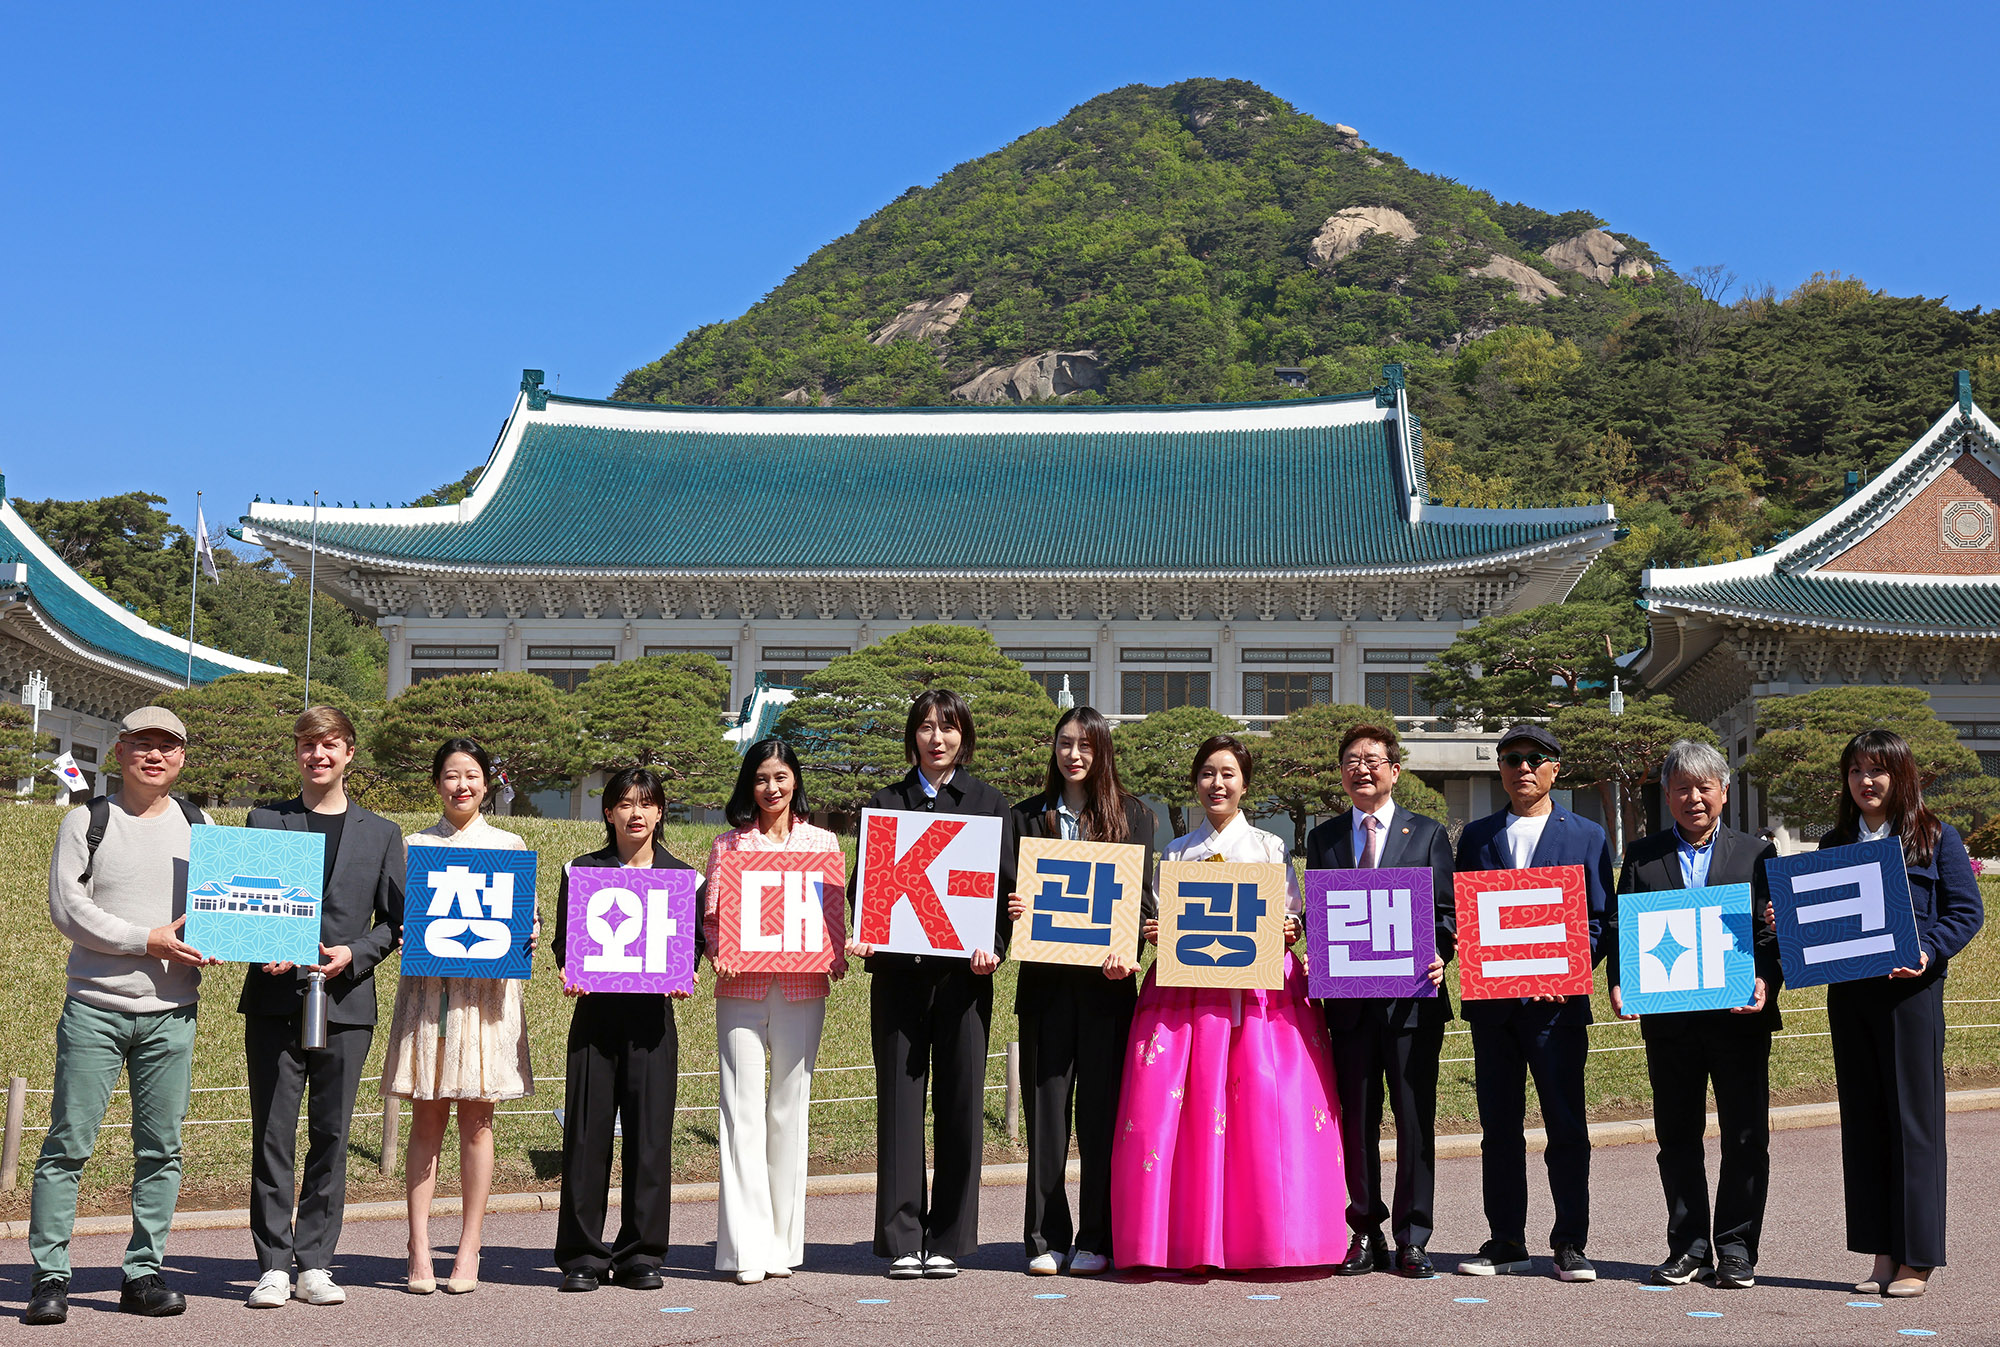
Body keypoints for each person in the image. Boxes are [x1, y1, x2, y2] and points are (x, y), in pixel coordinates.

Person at [1108, 734, 1344, 1272]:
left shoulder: (1269, 848)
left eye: (1228, 774)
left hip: (1262, 999)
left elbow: (1294, 918)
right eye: (1208, 773)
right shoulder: (1176, 852)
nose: (1217, 783)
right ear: (1195, 782)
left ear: (1245, 784)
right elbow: (1168, 924)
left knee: (1263, 1107)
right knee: (1185, 1111)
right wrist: (1155, 932)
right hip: (1187, 997)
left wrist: (1291, 927)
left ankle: (1264, 1236)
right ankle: (1186, 1236)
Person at [25, 708, 216, 1326]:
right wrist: (147, 939)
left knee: (161, 1149)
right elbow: (68, 908)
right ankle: (50, 1275)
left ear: (182, 758)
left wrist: (226, 938)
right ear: (120, 752)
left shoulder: (200, 824)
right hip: (94, 1010)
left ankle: (143, 1273)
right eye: (141, 744)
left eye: (168, 746)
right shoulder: (88, 819)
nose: (154, 755)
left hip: (172, 1013)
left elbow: (222, 905)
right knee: (67, 1145)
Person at [846, 689, 1016, 1280]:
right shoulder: (885, 801)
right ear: (912, 735)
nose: (937, 737)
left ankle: (948, 1235)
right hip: (897, 979)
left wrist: (995, 947)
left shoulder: (992, 804)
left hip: (965, 980)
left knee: (962, 1102)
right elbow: (862, 887)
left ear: (964, 736)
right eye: (926, 727)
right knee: (898, 1102)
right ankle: (901, 1236)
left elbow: (1005, 895)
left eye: (948, 727)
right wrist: (865, 928)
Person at [240, 706, 405, 1309]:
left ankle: (315, 1261)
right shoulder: (265, 819)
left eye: (330, 744)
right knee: (273, 1133)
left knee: (332, 1133)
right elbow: (241, 902)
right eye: (308, 745)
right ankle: (272, 1266)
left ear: (349, 752)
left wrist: (354, 953)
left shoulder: (381, 833)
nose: (319, 755)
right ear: (297, 753)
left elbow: (396, 922)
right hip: (275, 1000)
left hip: (346, 1001)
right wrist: (264, 949)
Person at [1607, 739, 1781, 1291]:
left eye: (1704, 786)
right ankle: (1687, 1247)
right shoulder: (1641, 855)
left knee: (1746, 1137)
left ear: (1724, 792)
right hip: (1671, 1022)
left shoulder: (1757, 855)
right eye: (1681, 788)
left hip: (1738, 1018)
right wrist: (1618, 981)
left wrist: (1765, 980)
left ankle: (1735, 1248)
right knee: (1676, 1136)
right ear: (1667, 795)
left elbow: (1770, 935)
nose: (1694, 798)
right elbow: (1619, 927)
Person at [1820, 729, 1983, 1299]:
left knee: (1915, 1125)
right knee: (1864, 1123)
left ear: (1900, 775)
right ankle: (1882, 1252)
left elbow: (1966, 911)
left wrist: (1928, 949)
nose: (1867, 781)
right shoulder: (1833, 842)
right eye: (1857, 770)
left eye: (1878, 770)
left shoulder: (1936, 838)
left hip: (1911, 998)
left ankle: (1917, 1257)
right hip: (1851, 999)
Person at [1452, 723, 1610, 1283]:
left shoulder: (1587, 835)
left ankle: (1570, 1240)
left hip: (1556, 1007)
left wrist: (1568, 969)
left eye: (1534, 758)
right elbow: (1461, 911)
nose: (1522, 767)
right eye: (1511, 758)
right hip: (1493, 1008)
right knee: (1499, 1126)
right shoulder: (1476, 835)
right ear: (1500, 768)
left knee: (1566, 1123)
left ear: (1555, 768)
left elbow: (1597, 919)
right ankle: (1505, 1237)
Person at [1006, 707, 1157, 1276]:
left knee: (1099, 1116)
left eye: (1086, 745)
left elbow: (1141, 899)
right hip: (1043, 987)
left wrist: (1131, 952)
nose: (1074, 755)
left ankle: (1097, 1234)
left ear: (1102, 752)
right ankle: (1045, 1236)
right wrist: (1012, 908)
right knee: (1046, 1114)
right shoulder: (1025, 816)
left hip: (1106, 988)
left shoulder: (1136, 816)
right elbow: (1004, 894)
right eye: (1065, 744)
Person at [381, 738, 533, 1295]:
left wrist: (527, 931)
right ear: (436, 782)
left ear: (487, 783)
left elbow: (521, 925)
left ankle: (469, 1246)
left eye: (471, 775)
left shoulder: (510, 844)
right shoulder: (414, 845)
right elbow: (399, 920)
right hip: (429, 997)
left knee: (478, 1120)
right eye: (450, 775)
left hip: (486, 1001)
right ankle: (418, 1245)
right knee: (427, 1119)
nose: (461, 785)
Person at [1303, 722, 1454, 1279]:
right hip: (1348, 1006)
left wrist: (1442, 952)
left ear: (1395, 769)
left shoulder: (1429, 834)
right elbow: (1320, 914)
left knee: (1415, 1120)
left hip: (1412, 1001)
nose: (1361, 768)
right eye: (1351, 760)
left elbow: (1446, 912)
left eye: (1373, 759)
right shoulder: (1323, 839)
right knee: (1357, 1120)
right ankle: (1364, 1230)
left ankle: (1414, 1236)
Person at [702, 739, 847, 1284]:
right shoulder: (728, 846)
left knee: (789, 1111)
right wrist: (720, 953)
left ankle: (782, 1244)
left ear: (795, 780)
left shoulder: (823, 842)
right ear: (749, 784)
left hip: (804, 986)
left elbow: (832, 914)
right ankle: (744, 1247)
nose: (772, 788)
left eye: (782, 777)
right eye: (762, 777)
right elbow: (711, 918)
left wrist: (837, 952)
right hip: (741, 985)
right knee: (739, 1111)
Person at [550, 767, 698, 1292]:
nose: (636, 813)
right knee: (586, 1137)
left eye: (646, 803)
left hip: (653, 1022)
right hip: (595, 1020)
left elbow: (691, 948)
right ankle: (583, 1255)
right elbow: (565, 946)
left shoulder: (683, 877)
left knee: (650, 1138)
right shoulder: (582, 871)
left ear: (660, 812)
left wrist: (686, 975)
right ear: (608, 811)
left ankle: (642, 1253)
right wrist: (570, 972)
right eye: (624, 803)